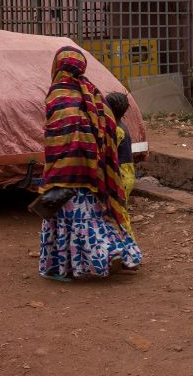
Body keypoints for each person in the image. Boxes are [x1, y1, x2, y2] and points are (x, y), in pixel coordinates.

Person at [38, 46, 141, 281]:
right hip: (93, 172)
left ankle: (63, 267)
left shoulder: (56, 95)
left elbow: (54, 137)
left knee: (61, 221)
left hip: (62, 174)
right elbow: (108, 130)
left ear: (57, 67)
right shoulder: (93, 93)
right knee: (94, 216)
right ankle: (118, 252)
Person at [105, 92, 135, 205]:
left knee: (118, 207)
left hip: (121, 174)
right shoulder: (122, 126)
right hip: (127, 173)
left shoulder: (117, 130)